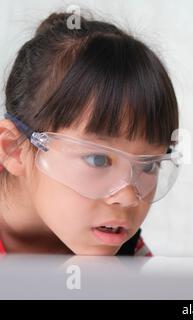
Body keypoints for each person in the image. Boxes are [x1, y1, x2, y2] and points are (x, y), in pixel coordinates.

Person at [0, 12, 181, 256]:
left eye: (148, 166)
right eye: (98, 159)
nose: (128, 198)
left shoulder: (126, 252)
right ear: (13, 149)